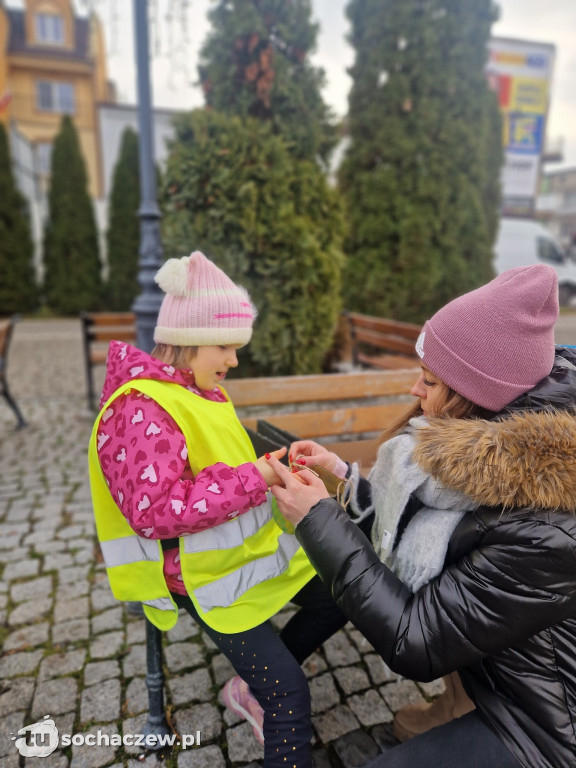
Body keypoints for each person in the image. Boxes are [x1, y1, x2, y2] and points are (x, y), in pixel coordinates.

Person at [267, 264, 576, 768]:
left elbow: (415, 639)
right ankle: (458, 704)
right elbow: (425, 528)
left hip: (546, 725)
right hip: (501, 661)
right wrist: (344, 480)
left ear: (478, 399)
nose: (415, 390)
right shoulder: (489, 454)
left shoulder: (545, 526)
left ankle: (466, 709)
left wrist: (318, 521)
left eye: (430, 381)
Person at [88, 251, 348, 768]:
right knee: (290, 697)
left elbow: (220, 465)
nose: (233, 359)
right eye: (226, 346)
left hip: (242, 556)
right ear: (186, 339)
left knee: (339, 597)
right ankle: (263, 691)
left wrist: (271, 464)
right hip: (201, 577)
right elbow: (155, 510)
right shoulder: (141, 408)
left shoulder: (198, 390)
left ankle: (248, 687)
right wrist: (258, 476)